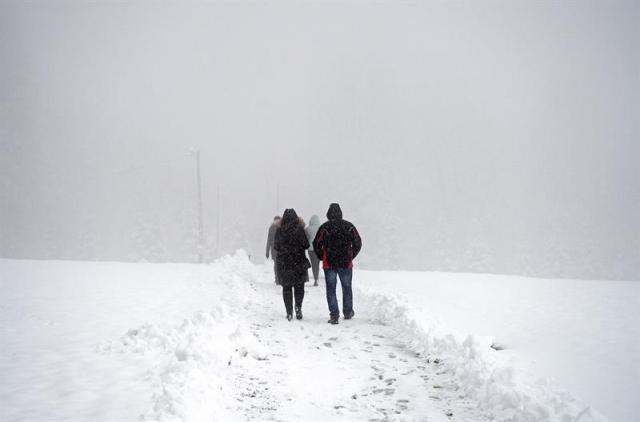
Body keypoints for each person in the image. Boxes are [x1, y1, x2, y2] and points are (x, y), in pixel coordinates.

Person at [313, 203, 362, 324]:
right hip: (346, 262)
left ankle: (334, 314)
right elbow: (358, 242)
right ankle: (347, 311)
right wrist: (351, 255)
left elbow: (316, 244)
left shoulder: (325, 227)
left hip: (329, 262)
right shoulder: (349, 226)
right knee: (346, 287)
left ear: (328, 214)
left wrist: (321, 256)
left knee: (331, 289)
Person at [274, 208, 311, 321]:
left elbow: (276, 246)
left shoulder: (280, 230)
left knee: (287, 288)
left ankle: (289, 311)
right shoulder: (300, 230)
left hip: (285, 263)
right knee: (299, 287)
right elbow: (306, 245)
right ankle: (298, 307)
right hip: (298, 262)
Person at [305, 215, 321, 286]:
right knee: (317, 263)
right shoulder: (321, 228)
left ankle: (315, 278)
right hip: (319, 248)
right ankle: (316, 277)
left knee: (313, 263)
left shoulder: (307, 229)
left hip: (311, 249)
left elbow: (306, 238)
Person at [265, 215, 281, 285]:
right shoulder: (282, 227)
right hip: (282, 249)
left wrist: (267, 251)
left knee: (276, 264)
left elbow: (269, 240)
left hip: (274, 249)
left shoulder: (271, 228)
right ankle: (280, 278)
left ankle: (277, 278)